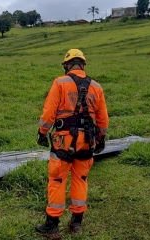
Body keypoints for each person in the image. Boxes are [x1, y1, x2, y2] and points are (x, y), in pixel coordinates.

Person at [36, 49, 109, 237]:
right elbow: (103, 119)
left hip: (63, 141)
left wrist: (42, 133)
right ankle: (76, 223)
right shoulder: (97, 87)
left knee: (57, 180)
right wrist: (100, 138)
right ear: (83, 65)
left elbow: (48, 113)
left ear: (67, 65)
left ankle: (51, 226)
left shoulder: (60, 83)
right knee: (81, 179)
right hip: (87, 142)